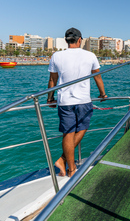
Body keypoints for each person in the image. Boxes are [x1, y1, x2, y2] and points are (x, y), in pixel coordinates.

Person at [47, 27, 107, 177]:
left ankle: (63, 160)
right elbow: (97, 77)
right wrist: (102, 94)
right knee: (82, 128)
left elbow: (53, 79)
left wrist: (49, 98)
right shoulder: (90, 55)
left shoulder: (56, 56)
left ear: (66, 40)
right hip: (83, 100)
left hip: (64, 101)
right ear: (80, 40)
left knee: (68, 133)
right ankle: (71, 168)